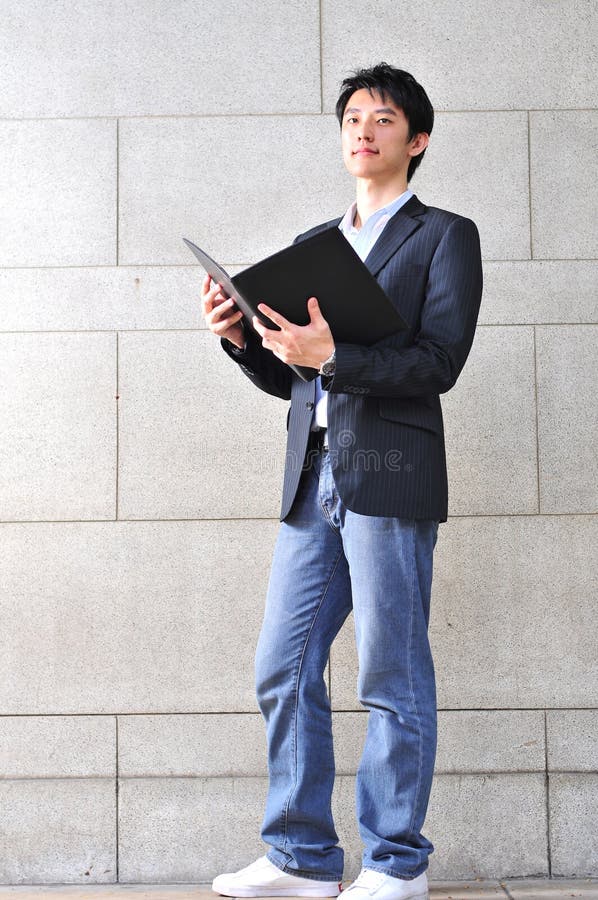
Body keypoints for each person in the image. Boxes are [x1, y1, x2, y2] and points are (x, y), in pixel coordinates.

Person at [201, 62, 483, 900]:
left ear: (417, 139)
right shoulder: (313, 247)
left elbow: (440, 361)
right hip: (313, 475)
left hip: (390, 471)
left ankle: (398, 863)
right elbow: (297, 382)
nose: (363, 130)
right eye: (353, 117)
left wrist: (340, 358)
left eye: (383, 119)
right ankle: (301, 857)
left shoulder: (443, 236)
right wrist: (244, 340)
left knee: (390, 672)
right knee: (282, 667)